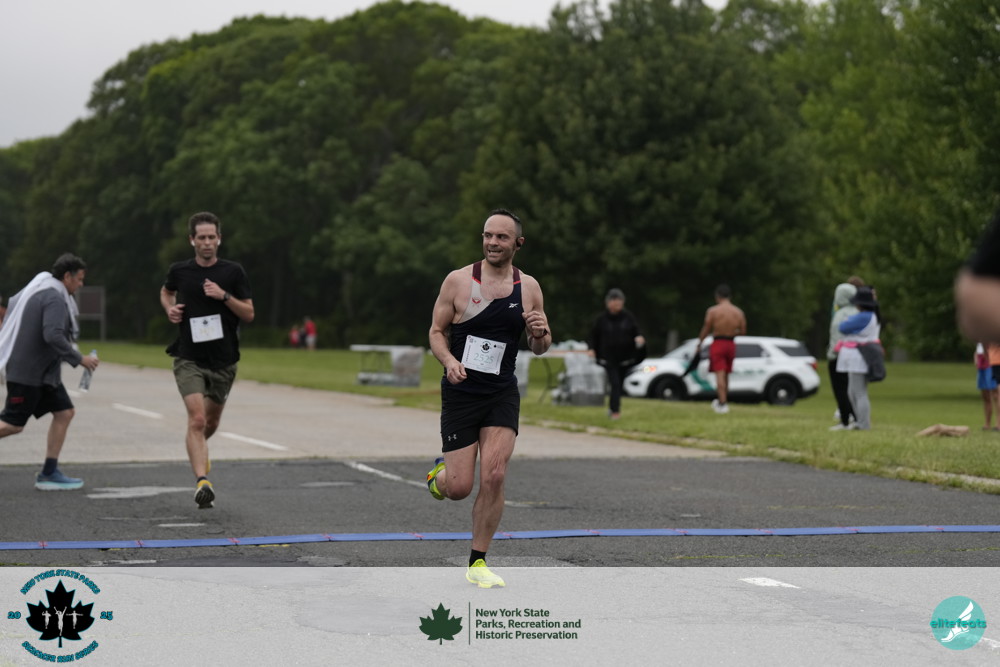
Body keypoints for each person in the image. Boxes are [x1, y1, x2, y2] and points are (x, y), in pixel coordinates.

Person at [426, 208, 551, 589]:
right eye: (487, 235)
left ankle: (477, 561)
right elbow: (436, 332)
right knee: (459, 488)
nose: (493, 243)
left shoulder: (528, 287)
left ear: (518, 243)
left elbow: (540, 346)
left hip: (501, 393)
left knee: (495, 474)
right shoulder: (458, 281)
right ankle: (438, 476)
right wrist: (449, 361)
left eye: (501, 237)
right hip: (461, 393)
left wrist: (540, 333)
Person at [160, 212, 254, 509]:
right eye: (201, 237)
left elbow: (249, 313)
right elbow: (166, 292)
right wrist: (169, 308)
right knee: (197, 420)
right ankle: (203, 481)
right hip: (189, 358)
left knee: (210, 422)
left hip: (224, 361)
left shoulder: (233, 272)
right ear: (192, 240)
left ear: (219, 239)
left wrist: (223, 295)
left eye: (212, 237)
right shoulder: (180, 271)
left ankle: (198, 449)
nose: (207, 242)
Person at [0, 254, 99, 490]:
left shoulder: (48, 291)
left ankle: (49, 473)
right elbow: (52, 335)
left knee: (65, 412)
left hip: (45, 376)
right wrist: (80, 359)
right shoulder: (54, 297)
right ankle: (49, 473)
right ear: (67, 277)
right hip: (28, 374)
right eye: (79, 279)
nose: (81, 284)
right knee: (13, 424)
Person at [588, 288, 645, 419]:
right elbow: (593, 336)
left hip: (624, 358)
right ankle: (615, 412)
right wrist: (591, 349)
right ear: (608, 303)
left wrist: (639, 338)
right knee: (615, 383)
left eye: (620, 300)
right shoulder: (602, 319)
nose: (618, 303)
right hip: (608, 358)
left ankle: (612, 407)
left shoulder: (628, 317)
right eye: (615, 300)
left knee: (618, 385)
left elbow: (637, 331)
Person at [696, 284, 747, 414]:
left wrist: (700, 342)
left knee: (720, 373)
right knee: (726, 374)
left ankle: (722, 404)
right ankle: (723, 400)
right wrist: (731, 333)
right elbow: (743, 331)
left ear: (717, 296)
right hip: (731, 344)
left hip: (718, 342)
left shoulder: (713, 311)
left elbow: (706, 328)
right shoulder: (738, 312)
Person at [835, 286, 880, 430]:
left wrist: (848, 321)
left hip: (858, 357)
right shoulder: (870, 315)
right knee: (852, 391)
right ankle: (859, 421)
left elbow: (843, 327)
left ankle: (863, 424)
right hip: (858, 356)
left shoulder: (864, 316)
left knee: (859, 392)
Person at [827, 281, 860, 430]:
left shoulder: (841, 314)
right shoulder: (858, 312)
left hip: (839, 355)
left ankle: (847, 418)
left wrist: (832, 352)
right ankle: (853, 417)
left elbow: (837, 337)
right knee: (851, 388)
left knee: (841, 389)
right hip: (852, 356)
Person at [975, 343, 999, 431]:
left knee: (996, 395)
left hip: (992, 364)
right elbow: (978, 348)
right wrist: (976, 359)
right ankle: (987, 424)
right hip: (981, 365)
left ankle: (998, 424)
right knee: (985, 396)